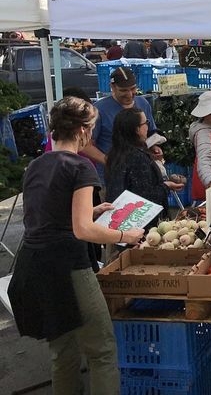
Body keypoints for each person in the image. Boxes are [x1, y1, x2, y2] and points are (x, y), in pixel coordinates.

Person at [8, 96, 144, 395]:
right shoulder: (81, 168)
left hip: (33, 266)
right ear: (82, 131)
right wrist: (126, 236)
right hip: (67, 266)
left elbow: (43, 216)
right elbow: (82, 230)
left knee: (63, 352)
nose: (92, 136)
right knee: (102, 350)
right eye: (92, 129)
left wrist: (91, 210)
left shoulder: (35, 166)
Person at [105, 108, 181, 218]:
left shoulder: (115, 154)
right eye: (146, 123)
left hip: (120, 218)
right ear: (137, 129)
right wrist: (166, 186)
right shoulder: (136, 157)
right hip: (140, 223)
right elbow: (145, 196)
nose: (148, 127)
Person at [84, 67, 156, 182]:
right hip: (111, 178)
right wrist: (109, 161)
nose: (129, 94)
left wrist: (154, 147)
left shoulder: (143, 103)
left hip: (141, 175)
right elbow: (86, 145)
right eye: (123, 90)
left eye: (133, 89)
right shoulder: (99, 110)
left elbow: (151, 132)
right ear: (112, 87)